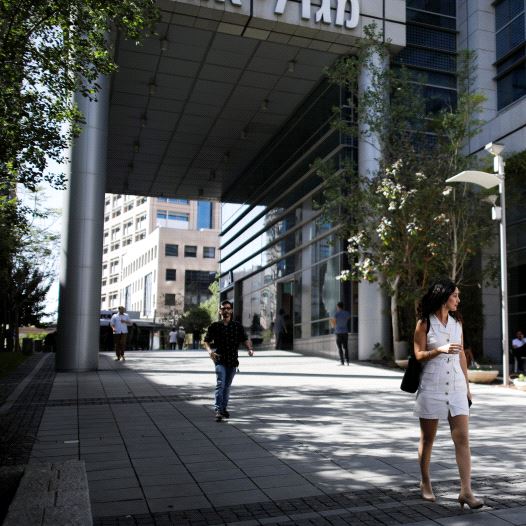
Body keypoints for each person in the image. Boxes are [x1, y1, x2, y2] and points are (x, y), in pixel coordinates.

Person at [413, 279, 483, 509]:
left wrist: (467, 387)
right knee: (428, 439)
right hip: (431, 387)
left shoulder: (457, 323)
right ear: (444, 297)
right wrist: (439, 350)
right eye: (455, 296)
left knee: (462, 439)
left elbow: (461, 355)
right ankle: (425, 482)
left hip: (456, 388)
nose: (458, 300)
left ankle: (466, 491)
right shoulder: (424, 324)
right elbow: (418, 355)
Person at [203, 300, 254, 422]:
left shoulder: (237, 326)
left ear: (231, 310)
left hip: (232, 361)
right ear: (219, 311)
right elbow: (206, 341)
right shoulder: (214, 326)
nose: (225, 310)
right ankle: (218, 410)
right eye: (223, 308)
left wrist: (250, 349)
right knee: (221, 384)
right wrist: (210, 351)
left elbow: (245, 339)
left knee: (227, 386)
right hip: (219, 360)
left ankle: (223, 408)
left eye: (228, 308)